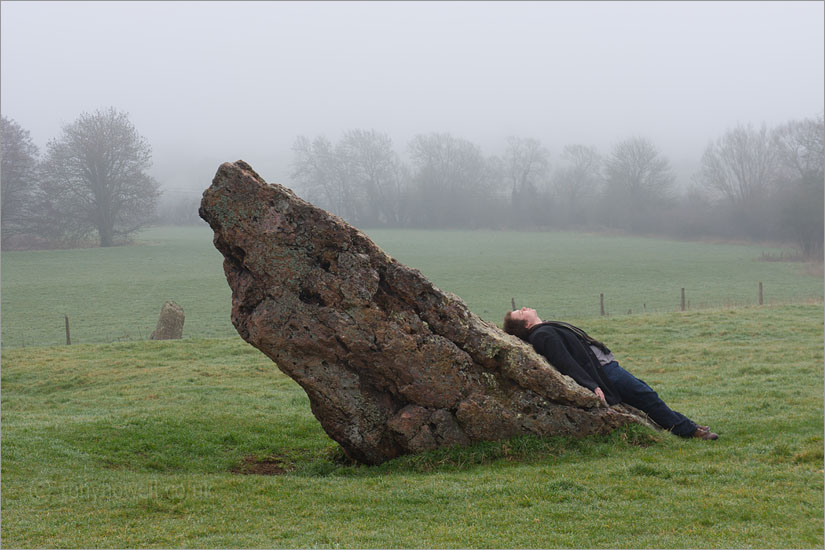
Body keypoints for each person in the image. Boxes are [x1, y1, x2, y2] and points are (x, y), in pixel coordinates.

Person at [503, 307, 718, 440]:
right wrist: (591, 385)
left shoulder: (544, 330)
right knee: (646, 396)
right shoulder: (542, 335)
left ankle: (687, 426)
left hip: (606, 369)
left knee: (646, 397)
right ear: (527, 323)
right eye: (520, 312)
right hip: (605, 373)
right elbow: (566, 363)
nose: (524, 308)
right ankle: (689, 431)